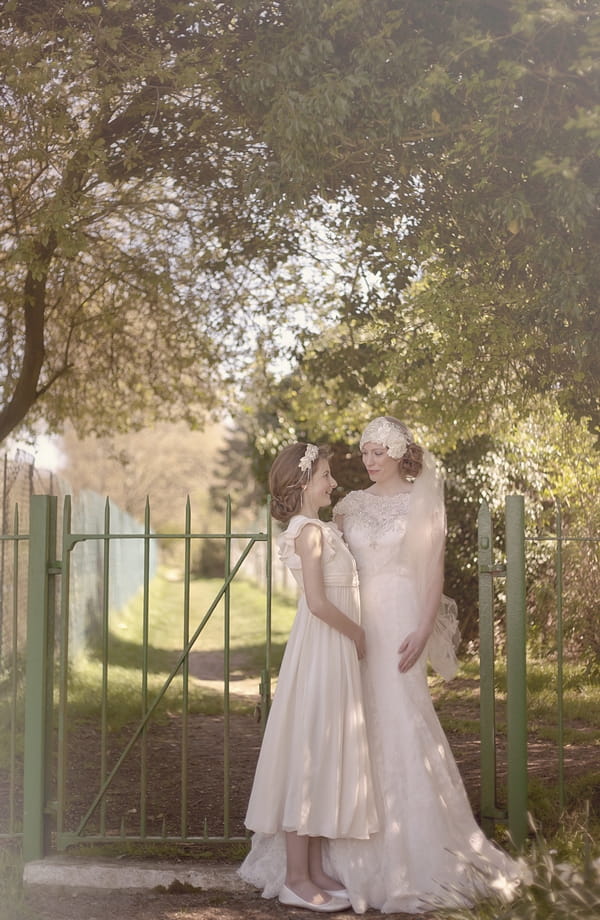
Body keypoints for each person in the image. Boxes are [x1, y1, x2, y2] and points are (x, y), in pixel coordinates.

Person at [324, 416, 522, 913]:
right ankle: (345, 843)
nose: (368, 462)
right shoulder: (347, 506)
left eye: (377, 453)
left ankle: (415, 850)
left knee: (402, 720)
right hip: (355, 623)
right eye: (364, 453)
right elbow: (330, 566)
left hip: (400, 622)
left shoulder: (422, 501)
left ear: (398, 453)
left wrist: (422, 627)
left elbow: (432, 574)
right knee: (355, 723)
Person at [239, 442, 378, 913]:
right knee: (308, 755)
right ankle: (296, 878)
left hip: (330, 648)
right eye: (324, 475)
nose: (332, 482)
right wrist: (359, 634)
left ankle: (316, 869)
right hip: (323, 647)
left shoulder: (320, 528)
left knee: (323, 750)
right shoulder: (308, 533)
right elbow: (318, 604)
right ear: (301, 485)